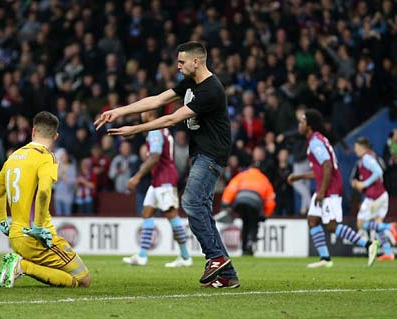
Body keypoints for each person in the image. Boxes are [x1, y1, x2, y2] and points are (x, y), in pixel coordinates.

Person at [95, 41, 239, 288]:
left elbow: (172, 117)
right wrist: (119, 111)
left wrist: (136, 128)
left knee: (192, 203)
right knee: (201, 208)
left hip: (211, 154)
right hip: (202, 154)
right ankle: (226, 274)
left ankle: (215, 258)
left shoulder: (211, 90)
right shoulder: (191, 83)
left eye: (182, 61)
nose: (178, 66)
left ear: (196, 62)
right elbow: (158, 99)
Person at [0, 111, 90, 288]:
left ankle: (21, 264)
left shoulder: (13, 157)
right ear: (56, 136)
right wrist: (37, 227)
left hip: (16, 236)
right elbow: (44, 191)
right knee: (83, 280)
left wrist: (2, 222)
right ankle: (22, 266)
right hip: (37, 236)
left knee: (64, 274)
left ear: (32, 131)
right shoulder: (47, 157)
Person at [287, 109, 379, 268]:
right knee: (313, 220)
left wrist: (322, 191)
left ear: (309, 125)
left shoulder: (316, 142)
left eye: (302, 122)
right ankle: (325, 258)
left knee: (331, 225)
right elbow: (320, 170)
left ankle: (369, 244)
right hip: (324, 186)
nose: (299, 125)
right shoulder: (315, 140)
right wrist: (299, 177)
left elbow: (328, 166)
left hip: (330, 188)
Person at [122, 110, 192, 267]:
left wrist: (137, 176)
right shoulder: (161, 129)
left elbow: (155, 156)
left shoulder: (155, 130)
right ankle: (142, 256)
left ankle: (186, 257)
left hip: (165, 179)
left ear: (149, 114)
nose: (141, 114)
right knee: (147, 213)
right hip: (157, 180)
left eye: (143, 112)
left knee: (172, 216)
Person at [352, 137, 397, 261]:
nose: (355, 150)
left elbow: (378, 172)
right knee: (377, 225)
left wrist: (363, 184)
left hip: (374, 197)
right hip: (382, 195)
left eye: (356, 147)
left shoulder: (366, 158)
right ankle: (389, 252)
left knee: (360, 224)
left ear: (362, 147)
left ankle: (389, 227)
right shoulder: (369, 157)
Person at [220, 163, 276, 255]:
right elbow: (270, 199)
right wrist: (266, 214)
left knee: (245, 222)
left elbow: (231, 188)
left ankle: (244, 247)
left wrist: (225, 203)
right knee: (253, 222)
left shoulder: (242, 175)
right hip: (255, 203)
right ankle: (251, 242)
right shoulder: (264, 179)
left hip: (240, 201)